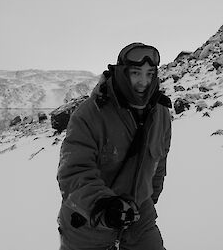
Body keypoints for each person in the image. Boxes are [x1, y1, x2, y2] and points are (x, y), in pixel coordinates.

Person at [57, 42, 172, 250]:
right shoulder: (90, 114)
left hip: (139, 219)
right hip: (89, 221)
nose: (143, 82)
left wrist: (148, 201)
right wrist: (105, 207)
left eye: (149, 74)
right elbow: (73, 173)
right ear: (122, 73)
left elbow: (159, 163)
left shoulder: (161, 112)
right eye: (136, 73)